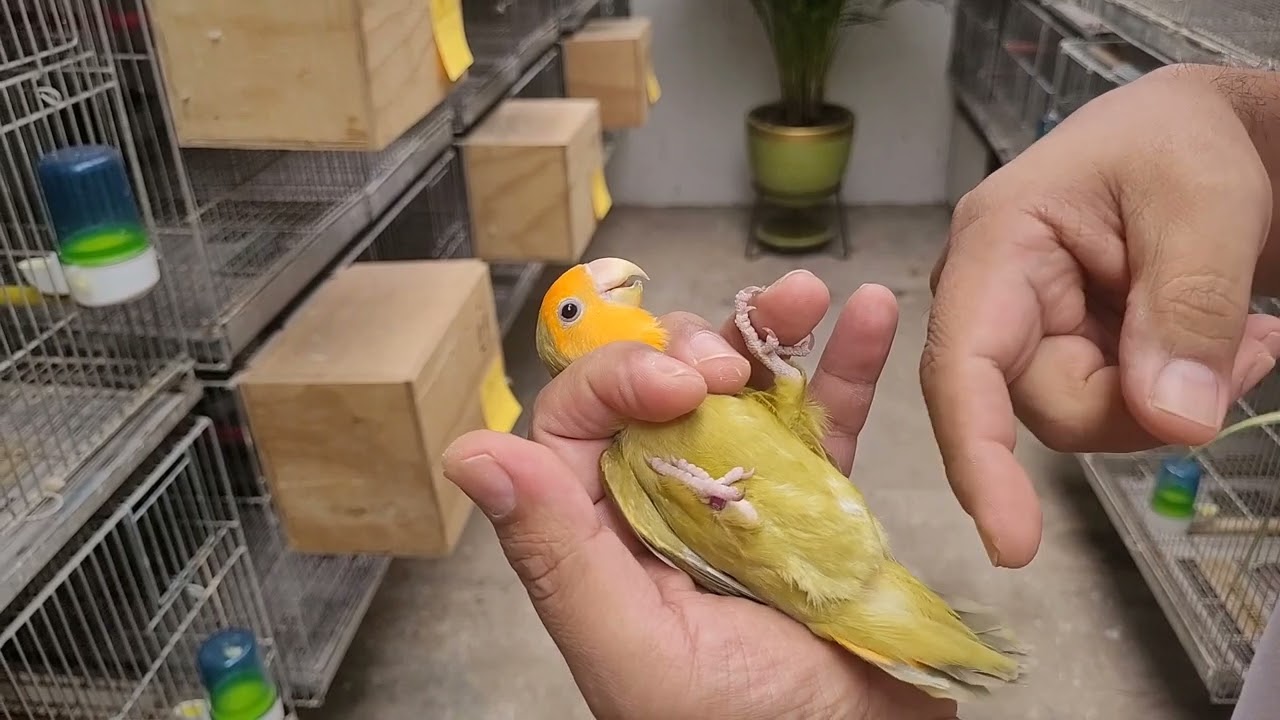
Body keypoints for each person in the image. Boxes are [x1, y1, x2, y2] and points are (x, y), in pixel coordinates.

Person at [442, 63, 1280, 719]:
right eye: (583, 303)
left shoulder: (686, 390)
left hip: (830, 532)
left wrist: (774, 370)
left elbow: (793, 428)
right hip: (809, 569)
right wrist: (714, 499)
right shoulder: (623, 455)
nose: (617, 280)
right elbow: (701, 551)